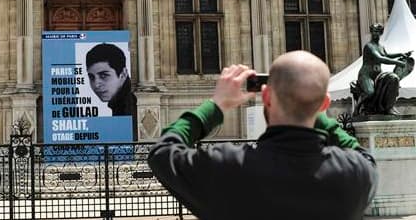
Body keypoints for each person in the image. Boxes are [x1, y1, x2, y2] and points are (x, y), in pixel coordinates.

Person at [148, 51, 377, 220]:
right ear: (324, 104)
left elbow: (163, 152)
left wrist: (216, 104)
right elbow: (359, 152)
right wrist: (310, 105)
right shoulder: (355, 173)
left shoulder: (227, 166)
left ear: (266, 97)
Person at [352, 23, 413, 115]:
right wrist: (398, 62)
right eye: (373, 31)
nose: (374, 34)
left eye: (377, 32)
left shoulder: (381, 47)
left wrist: (400, 54)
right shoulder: (369, 46)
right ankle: (358, 107)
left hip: (377, 74)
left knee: (390, 82)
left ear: (381, 33)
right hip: (366, 74)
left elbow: (387, 55)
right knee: (370, 92)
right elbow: (380, 58)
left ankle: (386, 107)